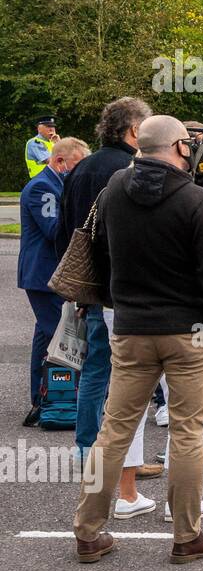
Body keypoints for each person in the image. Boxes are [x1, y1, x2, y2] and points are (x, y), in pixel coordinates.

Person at [72, 116, 203, 565]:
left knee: (114, 430)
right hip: (189, 331)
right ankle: (186, 535)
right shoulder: (197, 199)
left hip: (131, 326)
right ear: (180, 147)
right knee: (187, 432)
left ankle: (87, 531)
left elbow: (100, 256)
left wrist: (117, 302)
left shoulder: (111, 194)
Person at [57, 97, 153, 459]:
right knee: (131, 374)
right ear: (133, 130)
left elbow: (67, 231)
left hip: (92, 285)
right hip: (124, 288)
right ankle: (123, 456)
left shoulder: (82, 168)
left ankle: (87, 447)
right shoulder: (131, 168)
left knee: (96, 369)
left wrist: (79, 292)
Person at [19, 137, 89, 424]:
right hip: (44, 275)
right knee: (61, 338)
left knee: (44, 337)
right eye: (77, 165)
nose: (79, 172)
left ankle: (40, 399)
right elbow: (53, 229)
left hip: (44, 274)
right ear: (60, 161)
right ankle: (60, 402)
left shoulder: (56, 185)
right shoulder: (43, 187)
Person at [25, 115, 59, 179]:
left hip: (52, 178)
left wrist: (59, 143)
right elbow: (50, 161)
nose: (51, 129)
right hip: (41, 180)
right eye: (48, 126)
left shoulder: (53, 142)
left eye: (53, 126)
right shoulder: (34, 142)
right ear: (39, 129)